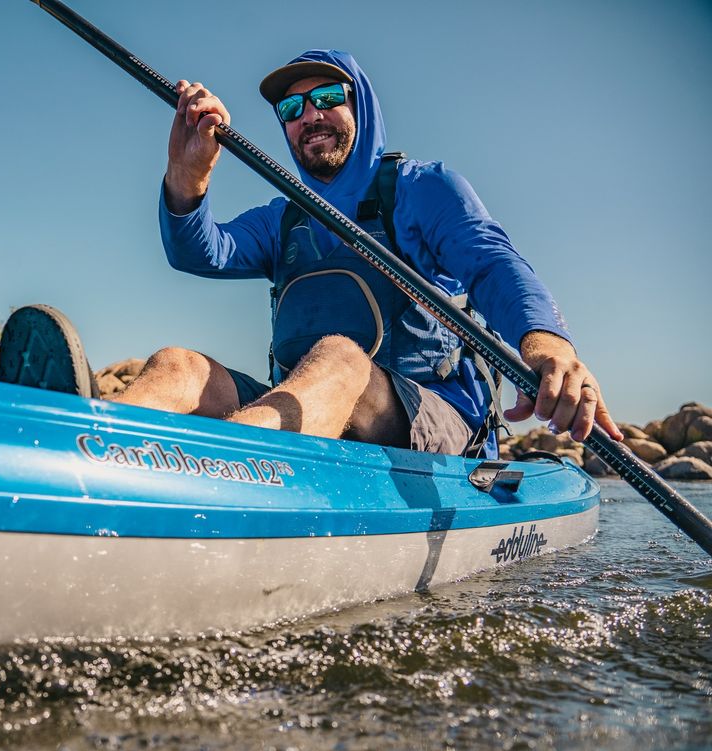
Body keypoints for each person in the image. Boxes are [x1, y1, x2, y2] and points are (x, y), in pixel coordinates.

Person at [103, 49, 622, 456]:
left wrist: (550, 350)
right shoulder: (283, 218)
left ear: (362, 104)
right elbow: (200, 252)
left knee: (340, 357)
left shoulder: (422, 189)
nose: (310, 114)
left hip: (430, 421)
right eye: (291, 108)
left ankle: (236, 474)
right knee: (179, 366)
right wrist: (187, 174)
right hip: (305, 417)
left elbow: (494, 267)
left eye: (327, 96)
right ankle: (88, 452)